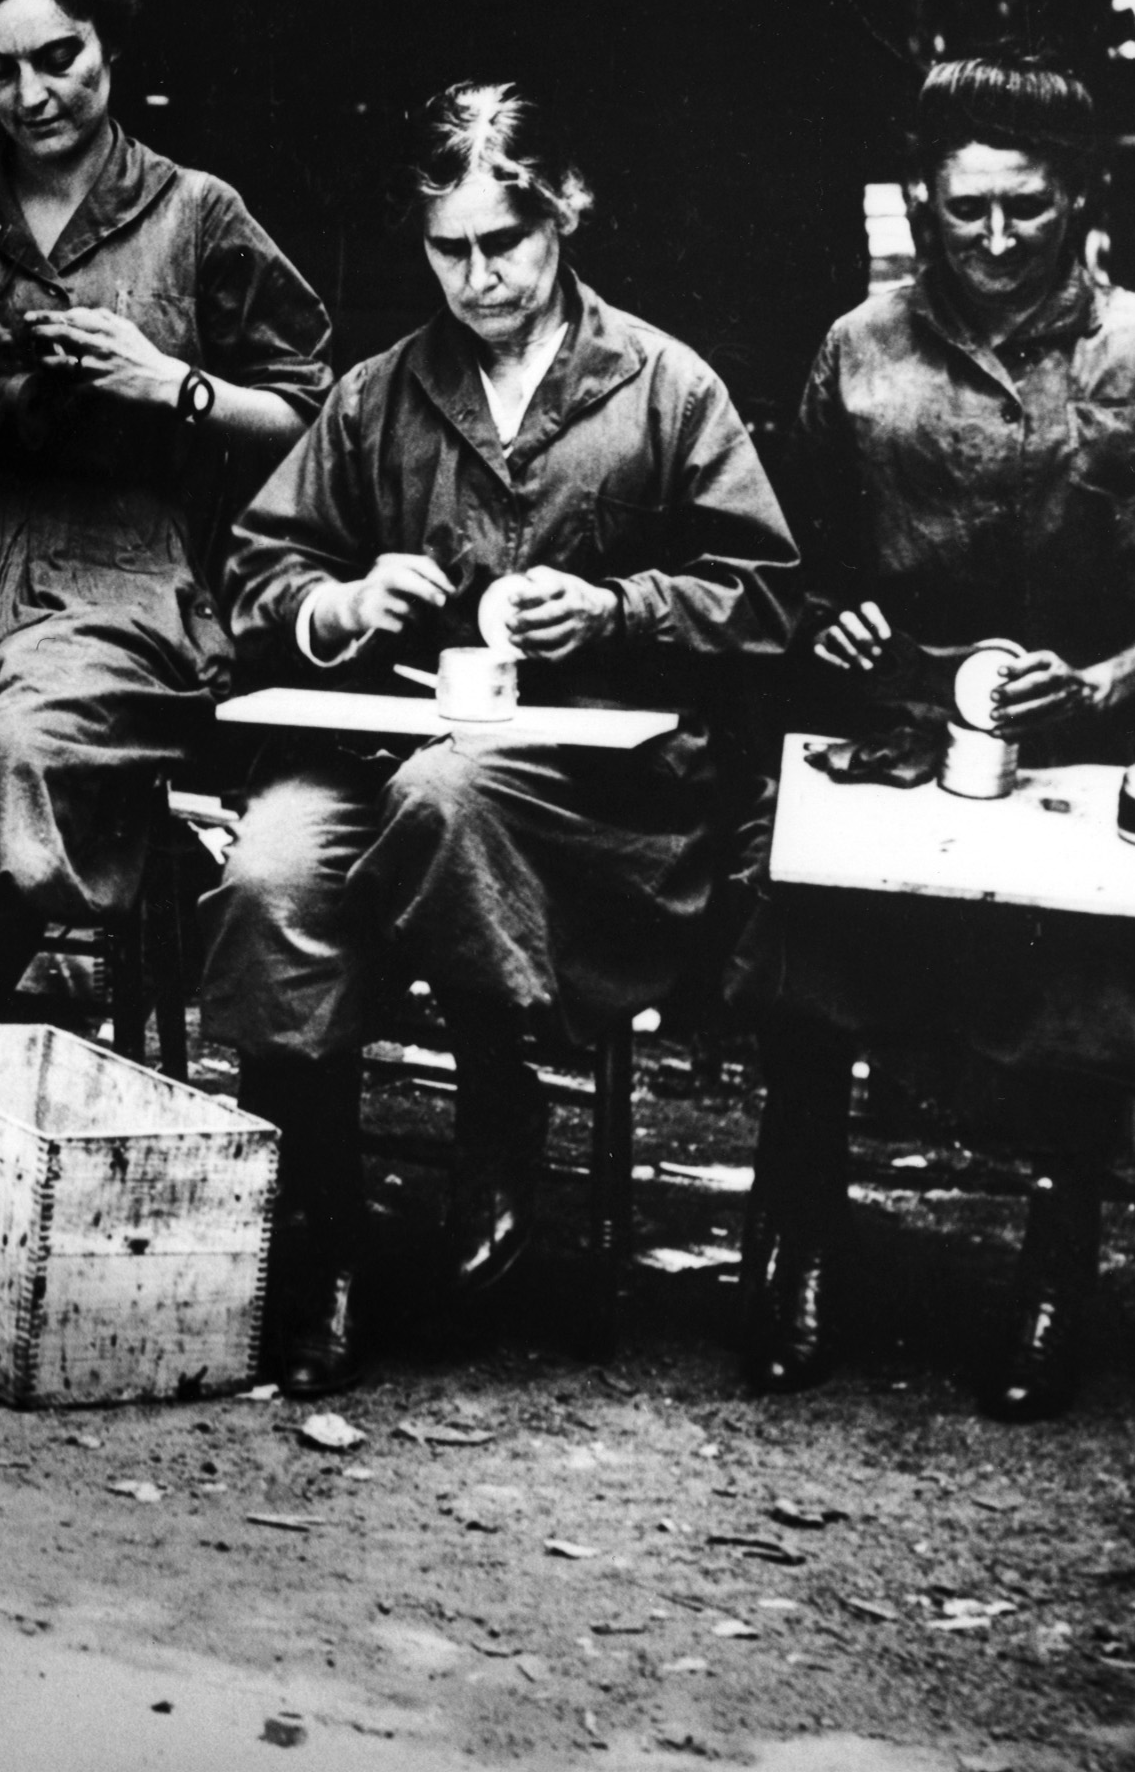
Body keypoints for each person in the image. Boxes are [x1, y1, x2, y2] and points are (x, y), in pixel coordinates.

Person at [206, 83, 799, 1392]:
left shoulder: (662, 388)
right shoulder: (380, 396)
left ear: (564, 217)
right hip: (386, 762)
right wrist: (340, 600)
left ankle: (501, 1109)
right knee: (269, 873)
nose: (474, 278)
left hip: (606, 792)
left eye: (503, 245)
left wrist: (616, 606)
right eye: (445, 249)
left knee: (455, 789)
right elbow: (257, 569)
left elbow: (764, 595)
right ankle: (326, 1233)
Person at [729, 54, 1135, 1419]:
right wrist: (831, 624)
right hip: (905, 730)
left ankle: (1055, 1254)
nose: (996, 239)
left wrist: (1096, 685)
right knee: (807, 906)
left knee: (1098, 942)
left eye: (1027, 208)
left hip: (1093, 740)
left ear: (1078, 197)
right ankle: (796, 1232)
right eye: (964, 211)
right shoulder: (861, 346)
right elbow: (796, 562)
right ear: (924, 201)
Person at [0, 0, 331, 1019]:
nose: (29, 93)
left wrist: (172, 385)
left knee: (25, 747)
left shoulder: (195, 213)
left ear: (111, 46)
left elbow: (308, 414)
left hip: (117, 571)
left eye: (57, 56)